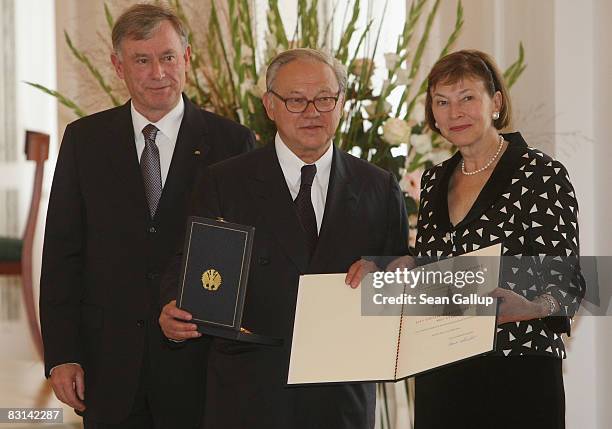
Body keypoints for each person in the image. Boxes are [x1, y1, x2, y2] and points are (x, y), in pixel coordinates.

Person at [159, 48, 409, 429]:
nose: (312, 111)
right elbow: (186, 266)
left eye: (325, 99)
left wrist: (386, 276)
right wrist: (173, 309)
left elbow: (399, 275)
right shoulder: (224, 182)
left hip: (339, 397)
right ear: (270, 106)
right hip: (248, 392)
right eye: (295, 100)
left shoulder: (378, 185)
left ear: (342, 104)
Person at [39, 4, 253, 428]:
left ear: (187, 59)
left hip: (200, 367)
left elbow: (247, 259)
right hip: (109, 366)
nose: (158, 72)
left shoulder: (232, 142)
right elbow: (62, 254)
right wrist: (63, 355)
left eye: (168, 57)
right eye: (142, 60)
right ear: (119, 67)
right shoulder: (85, 141)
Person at [411, 49, 586, 428]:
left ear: (496, 103)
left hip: (518, 369)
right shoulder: (431, 181)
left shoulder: (540, 173)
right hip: (440, 371)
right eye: (442, 102)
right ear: (433, 115)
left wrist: (532, 306)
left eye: (467, 97)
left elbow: (568, 280)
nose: (454, 112)